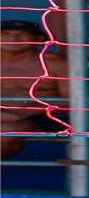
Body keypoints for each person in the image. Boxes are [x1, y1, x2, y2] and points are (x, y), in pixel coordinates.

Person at [0, 21, 69, 158]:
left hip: (42, 117)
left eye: (22, 34)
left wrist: (24, 112)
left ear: (39, 38)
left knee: (6, 131)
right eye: (5, 34)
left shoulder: (57, 64)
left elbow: (72, 102)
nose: (13, 38)